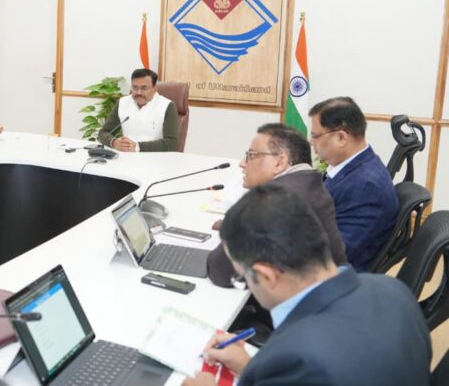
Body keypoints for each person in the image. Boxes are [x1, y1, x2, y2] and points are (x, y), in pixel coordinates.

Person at [184, 185, 431, 386]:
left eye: (242, 278)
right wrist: (252, 368)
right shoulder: (394, 291)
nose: (244, 283)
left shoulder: (295, 357)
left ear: (266, 275)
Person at [207, 123, 347, 287]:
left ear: (279, 163)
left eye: (251, 155)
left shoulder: (275, 199)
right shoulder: (309, 184)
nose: (242, 163)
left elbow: (219, 270)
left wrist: (235, 227)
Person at [309, 96, 398, 272]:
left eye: (315, 136)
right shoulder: (358, 166)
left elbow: (333, 256)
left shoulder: (366, 187)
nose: (311, 142)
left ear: (341, 138)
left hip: (329, 279)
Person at [97, 68, 179, 152]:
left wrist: (137, 147)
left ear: (154, 89)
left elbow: (172, 143)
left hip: (155, 157)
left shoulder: (167, 106)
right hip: (127, 156)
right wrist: (113, 142)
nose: (138, 92)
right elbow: (103, 133)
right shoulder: (122, 102)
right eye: (135, 87)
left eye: (144, 88)